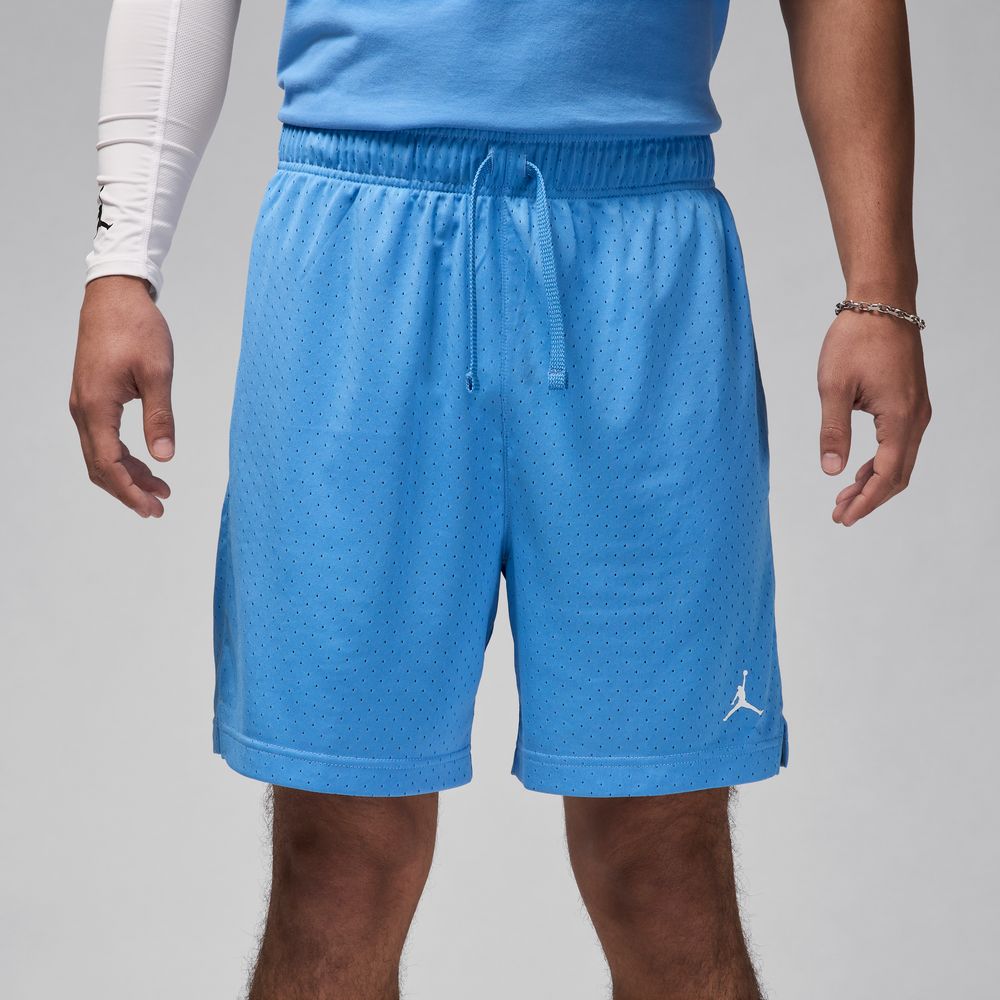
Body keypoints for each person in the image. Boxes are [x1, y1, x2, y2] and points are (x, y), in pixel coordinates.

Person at [69, 1, 931, 997]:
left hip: (640, 260)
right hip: (357, 253)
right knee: (339, 860)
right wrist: (121, 258)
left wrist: (880, 291)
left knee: (664, 860)